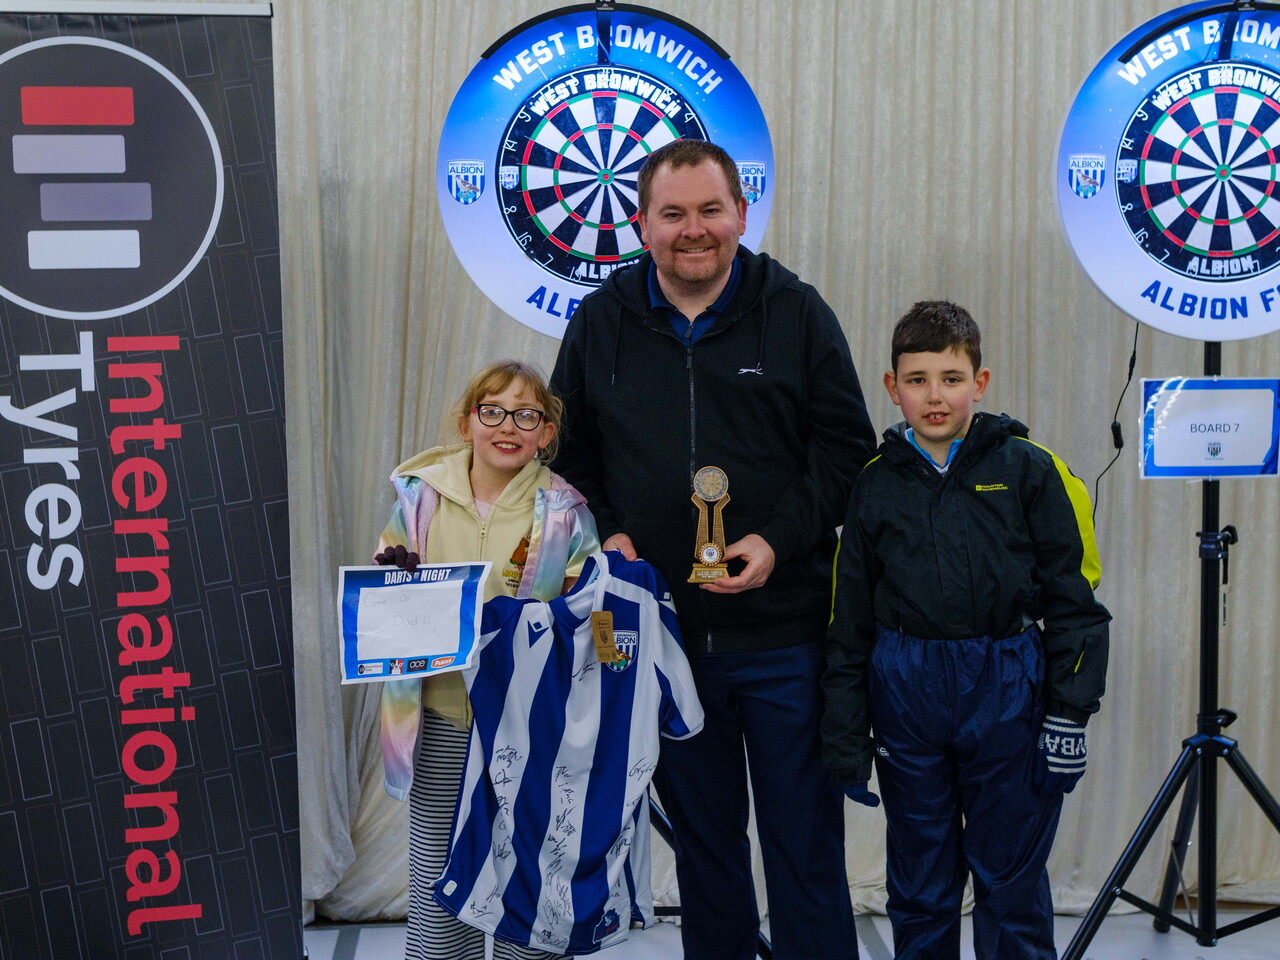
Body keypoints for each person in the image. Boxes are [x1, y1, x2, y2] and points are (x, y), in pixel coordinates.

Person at [550, 139, 876, 960]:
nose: (693, 231)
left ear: (740, 213)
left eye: (710, 211)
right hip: (661, 644)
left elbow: (846, 455)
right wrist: (609, 533)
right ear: (640, 224)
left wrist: (776, 539)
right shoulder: (601, 322)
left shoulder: (797, 312)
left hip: (784, 640)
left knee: (805, 849)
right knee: (706, 853)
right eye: (673, 215)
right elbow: (568, 457)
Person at [821, 301, 1111, 960]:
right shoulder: (874, 485)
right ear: (892, 388)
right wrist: (845, 731)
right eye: (917, 379)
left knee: (1009, 876)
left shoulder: (1031, 469)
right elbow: (850, 618)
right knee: (921, 882)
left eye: (951, 378)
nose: (934, 395)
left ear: (979, 384)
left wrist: (1070, 710)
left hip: (1007, 686)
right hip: (906, 693)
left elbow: (1076, 598)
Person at [373, 360, 599, 960]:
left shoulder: (566, 512)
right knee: (439, 880)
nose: (508, 426)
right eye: (492, 411)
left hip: (532, 732)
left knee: (531, 878)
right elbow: (383, 592)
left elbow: (594, 615)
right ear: (467, 420)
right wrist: (391, 584)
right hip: (443, 718)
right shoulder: (418, 499)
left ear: (547, 432)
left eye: (527, 415)